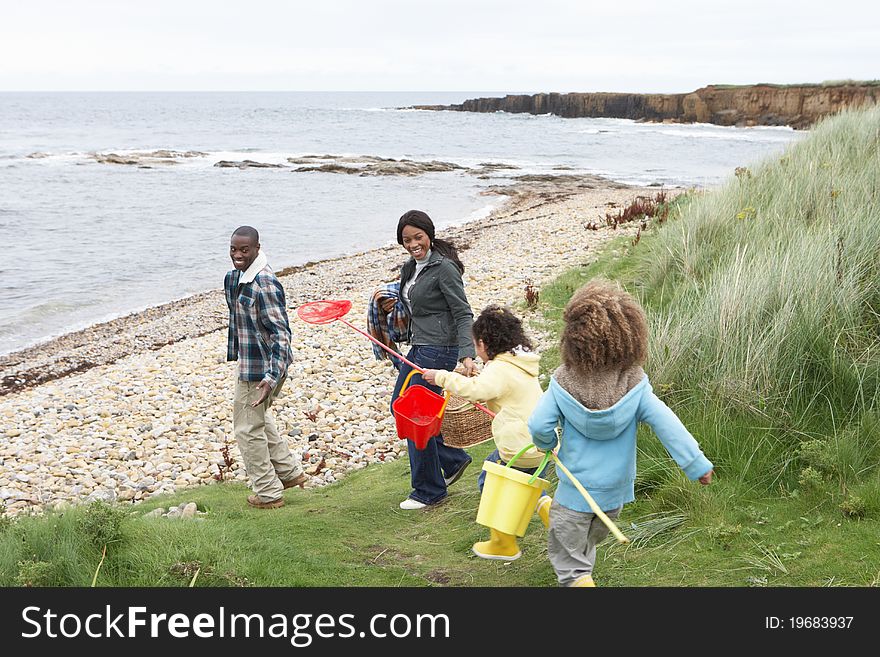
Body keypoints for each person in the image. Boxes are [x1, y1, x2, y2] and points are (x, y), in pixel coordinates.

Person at [528, 280, 713, 586]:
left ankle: (578, 578)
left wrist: (548, 444)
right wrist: (697, 465)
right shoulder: (635, 385)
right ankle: (566, 539)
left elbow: (538, 425)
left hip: (575, 487)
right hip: (614, 494)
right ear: (629, 337)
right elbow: (668, 424)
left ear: (573, 339)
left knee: (570, 560)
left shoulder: (563, 382)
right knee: (587, 537)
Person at [423, 305, 551, 561]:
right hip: (541, 443)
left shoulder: (500, 369)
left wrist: (441, 377)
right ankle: (559, 523)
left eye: (475, 345)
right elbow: (497, 388)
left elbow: (477, 391)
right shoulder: (517, 363)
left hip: (519, 446)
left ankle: (504, 544)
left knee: (490, 481)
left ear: (483, 343)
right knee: (531, 487)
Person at [383, 210, 478, 510]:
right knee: (405, 411)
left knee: (412, 415)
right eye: (406, 239)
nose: (412, 244)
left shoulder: (445, 268)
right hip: (420, 345)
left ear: (429, 235)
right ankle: (452, 460)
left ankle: (429, 490)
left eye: (417, 237)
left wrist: (467, 354)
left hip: (439, 349)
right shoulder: (410, 268)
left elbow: (463, 312)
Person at [225, 225, 306, 509]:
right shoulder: (235, 277)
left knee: (247, 429)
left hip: (263, 370)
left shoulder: (265, 283)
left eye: (244, 249)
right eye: (234, 249)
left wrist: (271, 378)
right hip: (249, 362)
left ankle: (268, 493)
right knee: (256, 419)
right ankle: (288, 472)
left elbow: (282, 334)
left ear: (257, 248)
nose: (238, 254)